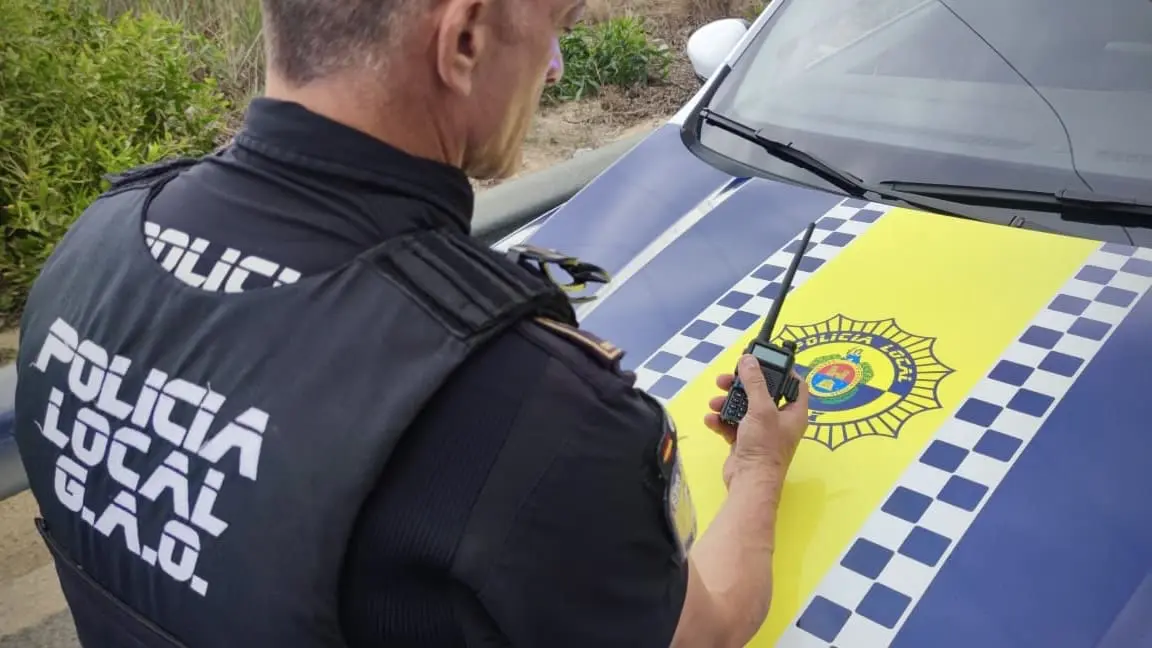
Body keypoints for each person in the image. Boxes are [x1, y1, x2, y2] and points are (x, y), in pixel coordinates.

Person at [12, 0, 811, 646]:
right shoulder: (531, 402)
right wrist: (760, 467)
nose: (554, 71)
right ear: (464, 38)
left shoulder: (93, 246)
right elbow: (701, 632)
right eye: (556, 30)